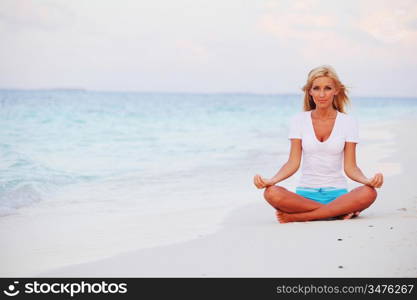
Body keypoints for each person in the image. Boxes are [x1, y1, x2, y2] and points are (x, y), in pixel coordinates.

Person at [253, 65, 383, 223]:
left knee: (369, 192)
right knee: (271, 193)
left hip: (338, 196)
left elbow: (351, 167)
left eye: (327, 88)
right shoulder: (299, 120)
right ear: (309, 91)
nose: (322, 94)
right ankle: (336, 213)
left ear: (336, 90)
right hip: (305, 196)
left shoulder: (348, 122)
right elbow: (293, 162)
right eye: (316, 88)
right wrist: (272, 180)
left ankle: (301, 216)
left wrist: (366, 181)